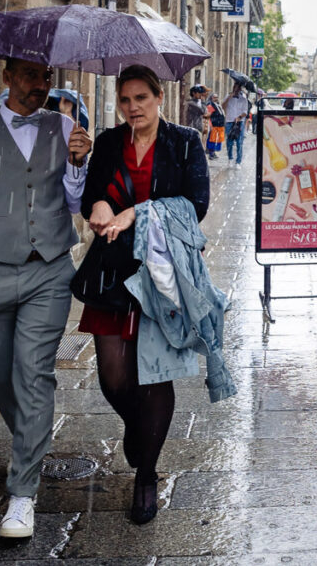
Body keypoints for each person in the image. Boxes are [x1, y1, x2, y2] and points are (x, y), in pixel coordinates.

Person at [0, 57, 92, 538]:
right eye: (30, 75)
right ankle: (32, 440)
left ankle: (22, 494)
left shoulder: (66, 126)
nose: (40, 85)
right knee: (4, 379)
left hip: (48, 271)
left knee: (34, 374)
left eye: (46, 76)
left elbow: (77, 204)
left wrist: (77, 164)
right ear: (6, 77)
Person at [78, 64, 221, 525]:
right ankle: (138, 429)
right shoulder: (107, 142)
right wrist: (97, 204)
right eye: (125, 100)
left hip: (162, 277)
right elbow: (93, 196)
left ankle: (147, 474)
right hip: (113, 273)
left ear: (160, 98)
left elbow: (195, 205)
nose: (133, 107)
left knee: (156, 376)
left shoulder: (183, 142)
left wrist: (137, 213)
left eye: (141, 98)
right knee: (113, 378)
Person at [224, 83, 248, 168]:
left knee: (239, 142)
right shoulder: (228, 97)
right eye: (235, 87)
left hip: (239, 122)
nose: (236, 89)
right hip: (229, 121)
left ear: (240, 89)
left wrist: (239, 117)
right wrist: (228, 98)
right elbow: (223, 106)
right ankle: (230, 158)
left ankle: (238, 162)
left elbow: (245, 112)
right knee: (229, 142)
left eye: (238, 88)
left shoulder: (243, 99)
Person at [206, 93, 225, 160]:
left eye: (217, 97)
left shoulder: (218, 105)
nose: (216, 98)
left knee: (217, 139)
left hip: (219, 125)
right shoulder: (210, 105)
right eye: (214, 97)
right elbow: (209, 115)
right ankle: (211, 154)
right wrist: (210, 125)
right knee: (212, 139)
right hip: (214, 125)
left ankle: (213, 153)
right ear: (211, 98)